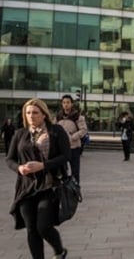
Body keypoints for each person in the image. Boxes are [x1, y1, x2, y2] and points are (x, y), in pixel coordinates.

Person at [6, 98, 71, 259]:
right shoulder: (20, 134)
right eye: (28, 113)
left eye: (35, 112)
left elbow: (66, 155)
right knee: (31, 229)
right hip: (26, 188)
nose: (31, 116)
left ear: (43, 115)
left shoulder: (56, 131)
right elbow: (9, 159)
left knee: (43, 227)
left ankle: (59, 250)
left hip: (49, 186)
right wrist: (19, 168)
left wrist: (44, 165)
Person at [55, 95, 86, 183]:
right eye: (64, 102)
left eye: (68, 102)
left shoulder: (78, 117)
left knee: (75, 170)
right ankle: (64, 190)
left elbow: (84, 130)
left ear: (72, 104)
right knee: (62, 171)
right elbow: (53, 128)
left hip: (74, 147)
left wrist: (73, 137)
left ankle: (75, 190)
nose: (66, 105)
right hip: (61, 148)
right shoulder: (58, 117)